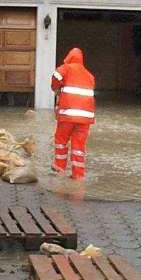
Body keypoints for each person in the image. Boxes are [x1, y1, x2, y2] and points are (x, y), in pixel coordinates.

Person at [51, 47, 95, 180]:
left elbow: (56, 75)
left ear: (69, 58)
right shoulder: (90, 76)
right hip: (85, 118)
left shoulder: (67, 68)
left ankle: (59, 168)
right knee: (79, 147)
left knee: (61, 141)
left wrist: (56, 89)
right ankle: (78, 175)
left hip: (68, 115)